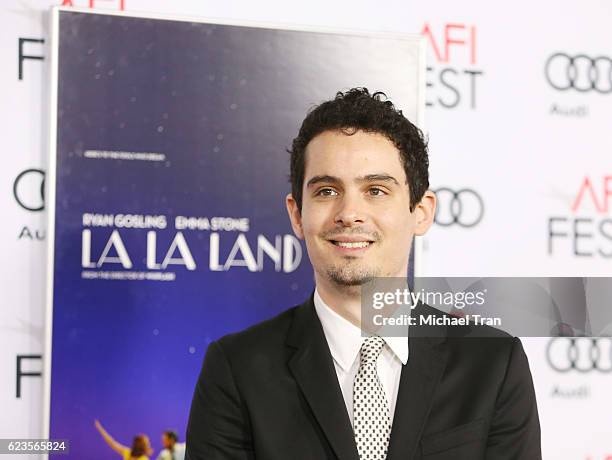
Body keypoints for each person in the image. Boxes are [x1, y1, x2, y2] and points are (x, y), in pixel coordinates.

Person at [185, 88, 541, 459]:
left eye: (375, 190)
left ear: (421, 211)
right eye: (326, 190)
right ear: (296, 214)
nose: (349, 213)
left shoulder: (491, 364)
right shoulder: (237, 369)